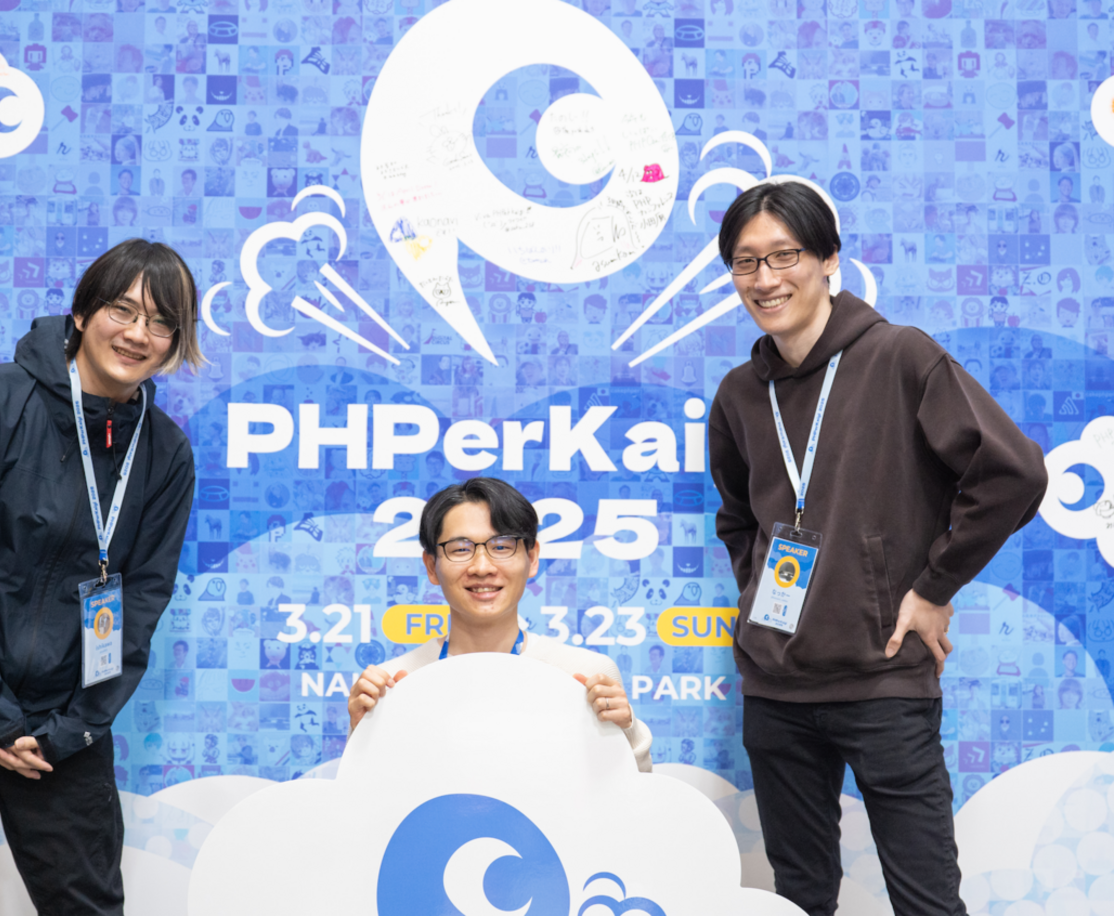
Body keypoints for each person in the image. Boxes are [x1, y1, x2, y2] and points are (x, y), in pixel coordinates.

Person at [706, 180, 1047, 916]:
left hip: (883, 681)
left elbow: (1012, 474)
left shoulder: (900, 356)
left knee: (926, 902)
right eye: (745, 262)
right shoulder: (739, 394)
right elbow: (739, 519)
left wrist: (933, 587)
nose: (765, 279)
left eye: (784, 255)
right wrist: (763, 599)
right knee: (799, 900)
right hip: (775, 689)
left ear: (829, 259)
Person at [0, 239, 205, 916]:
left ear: (176, 342)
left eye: (160, 322)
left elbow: (141, 599)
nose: (138, 334)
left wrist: (76, 725)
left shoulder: (166, 452)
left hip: (61, 728)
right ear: (83, 313)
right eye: (122, 310)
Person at [347, 478, 653, 772]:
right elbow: (365, 799)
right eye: (460, 549)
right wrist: (363, 734)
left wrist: (626, 728)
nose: (482, 567)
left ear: (532, 558)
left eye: (502, 546)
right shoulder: (392, 685)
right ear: (431, 566)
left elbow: (633, 795)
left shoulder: (585, 674)